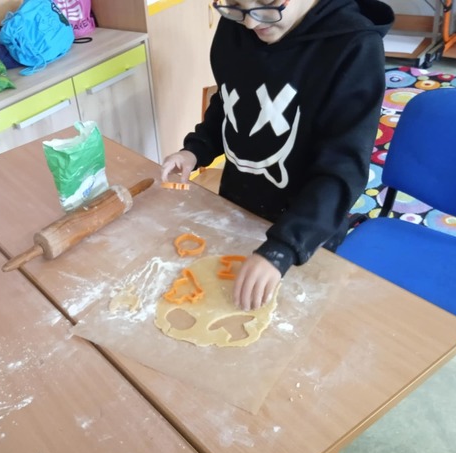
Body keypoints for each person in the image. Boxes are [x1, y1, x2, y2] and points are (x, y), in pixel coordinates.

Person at [161, 0, 393, 311]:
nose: (250, 23)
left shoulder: (353, 48)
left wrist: (285, 246)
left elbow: (343, 169)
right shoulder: (237, 25)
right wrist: (195, 149)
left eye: (266, 4)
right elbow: (229, 102)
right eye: (234, 5)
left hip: (307, 230)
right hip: (238, 211)